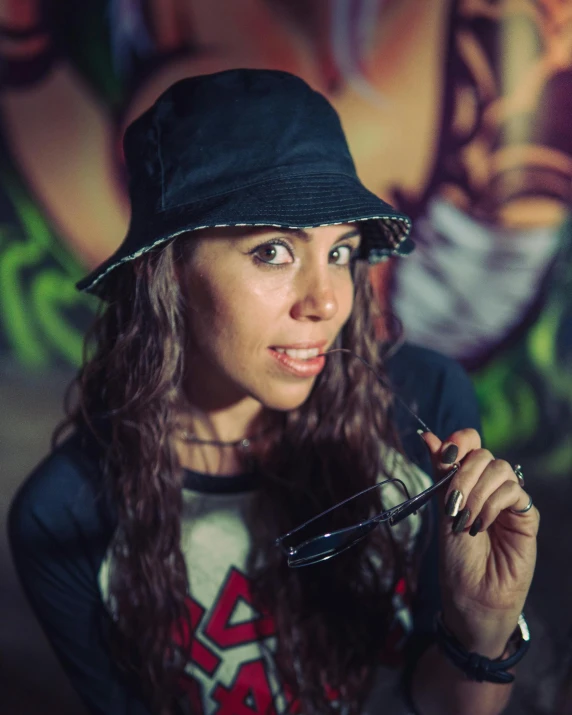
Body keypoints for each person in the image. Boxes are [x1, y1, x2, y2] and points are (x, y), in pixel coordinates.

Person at [8, 69, 539, 715]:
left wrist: (480, 623)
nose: (327, 300)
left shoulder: (420, 403)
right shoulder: (63, 518)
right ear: (168, 270)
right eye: (273, 252)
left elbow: (450, 703)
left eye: (341, 252)